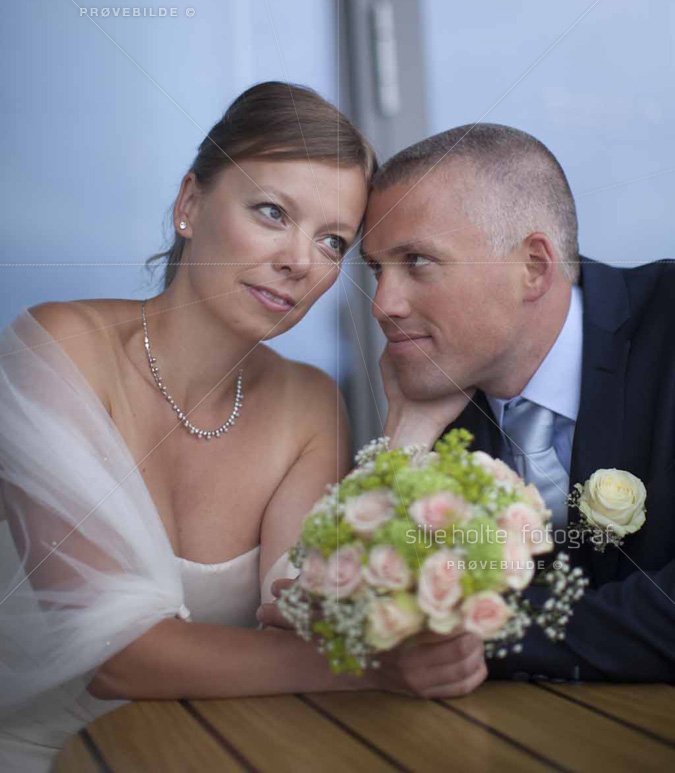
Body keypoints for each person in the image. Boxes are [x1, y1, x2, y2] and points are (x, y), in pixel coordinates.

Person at [0, 81, 386, 771]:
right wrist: (375, 671)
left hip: (218, 753)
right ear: (189, 204)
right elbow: (116, 658)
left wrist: (414, 421)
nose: (299, 261)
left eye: (332, 241)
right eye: (272, 212)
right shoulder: (57, 347)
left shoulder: (309, 403)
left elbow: (308, 619)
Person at [354, 122, 675, 687]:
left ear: (533, 266)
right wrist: (406, 435)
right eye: (377, 269)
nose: (383, 304)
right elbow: (368, 611)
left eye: (417, 261)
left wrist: (477, 634)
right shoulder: (443, 394)